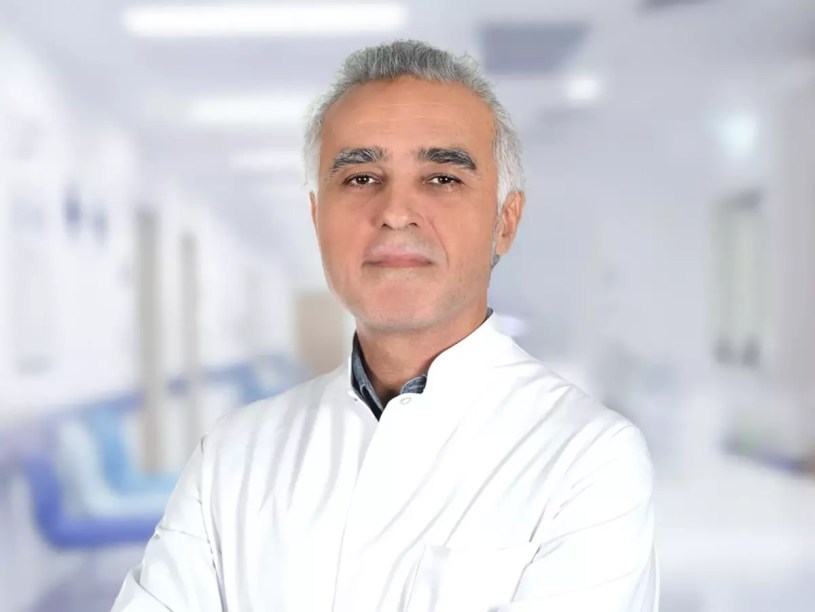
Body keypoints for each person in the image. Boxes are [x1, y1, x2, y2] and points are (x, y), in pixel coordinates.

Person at [112, 40, 658, 612]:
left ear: (505, 220)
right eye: (360, 178)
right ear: (317, 218)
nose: (396, 212)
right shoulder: (232, 455)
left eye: (442, 178)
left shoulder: (588, 459)